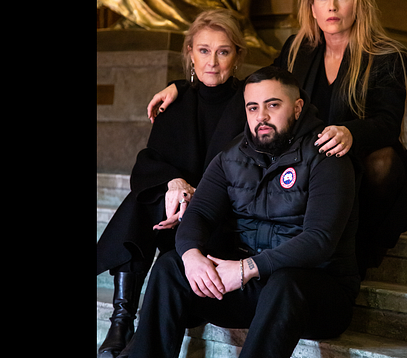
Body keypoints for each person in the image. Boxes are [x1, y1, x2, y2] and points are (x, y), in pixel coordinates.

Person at [146, 0, 407, 278]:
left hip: (351, 157)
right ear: (312, 6)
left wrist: (349, 132)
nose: (332, 7)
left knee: (383, 163)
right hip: (305, 158)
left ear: (358, 2)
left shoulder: (386, 55)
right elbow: (258, 89)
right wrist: (185, 87)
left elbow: (387, 123)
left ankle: (358, 253)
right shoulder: (298, 49)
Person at [123, 66, 359, 358]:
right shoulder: (231, 155)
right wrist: (191, 256)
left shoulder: (326, 155)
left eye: (273, 105)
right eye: (252, 107)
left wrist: (246, 268)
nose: (261, 117)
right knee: (171, 267)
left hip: (315, 295)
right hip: (249, 288)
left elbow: (319, 240)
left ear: (297, 108)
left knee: (285, 285)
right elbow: (198, 214)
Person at [96, 8, 248, 358]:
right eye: (203, 50)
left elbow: (241, 174)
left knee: (143, 200)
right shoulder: (177, 103)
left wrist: (196, 199)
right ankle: (123, 318)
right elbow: (149, 161)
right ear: (190, 54)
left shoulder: (248, 102)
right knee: (143, 196)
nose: (212, 61)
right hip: (171, 215)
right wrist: (175, 183)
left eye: (223, 51)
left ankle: (124, 320)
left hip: (219, 220)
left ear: (237, 56)